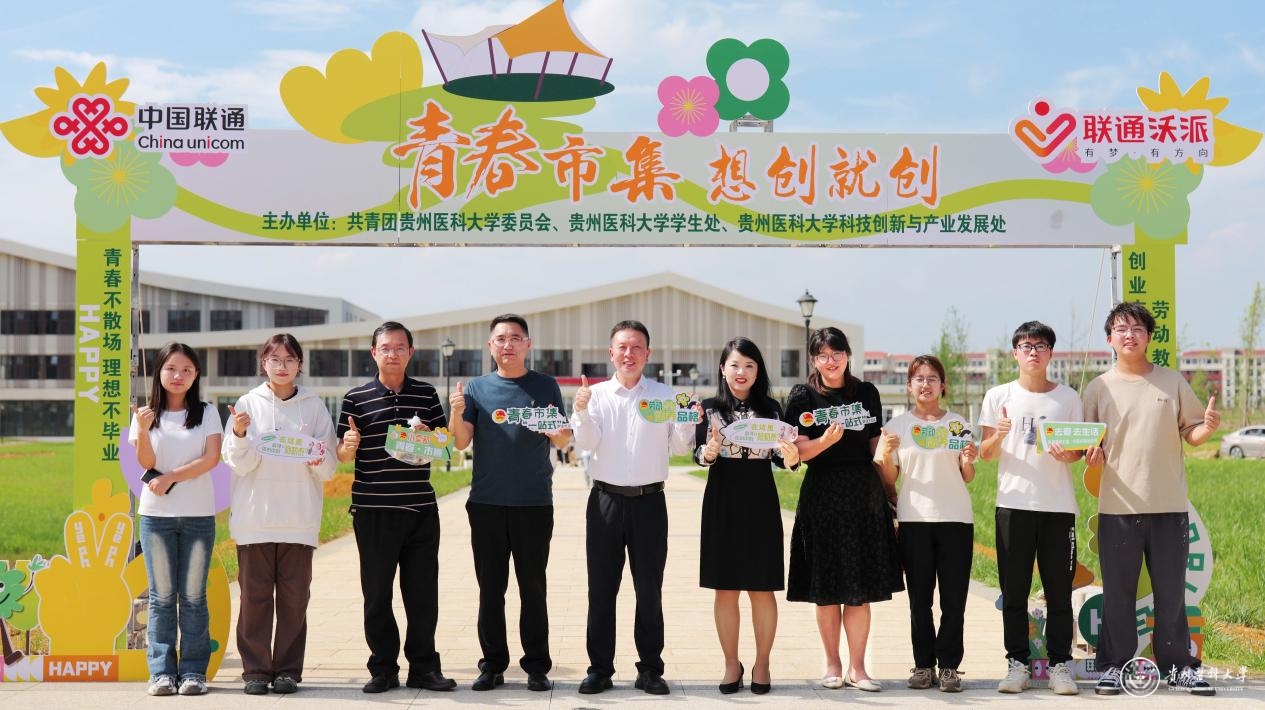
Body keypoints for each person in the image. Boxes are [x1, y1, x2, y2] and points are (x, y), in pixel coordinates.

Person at [1083, 302, 1220, 697]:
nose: (1130, 335)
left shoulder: (1171, 382)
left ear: (1148, 337)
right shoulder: (1098, 388)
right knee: (1118, 594)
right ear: (1109, 338)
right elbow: (1085, 445)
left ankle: (1178, 667)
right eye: (1121, 329)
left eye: (1138, 328)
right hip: (1118, 508)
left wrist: (1208, 429)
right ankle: (1113, 666)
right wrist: (1088, 455)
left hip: (1169, 508)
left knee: (1171, 593)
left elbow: (1192, 432)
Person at [570, 320, 694, 695]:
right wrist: (581, 411)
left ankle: (650, 669)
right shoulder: (596, 395)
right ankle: (599, 669)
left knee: (649, 590)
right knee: (601, 590)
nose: (629, 354)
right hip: (605, 501)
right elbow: (586, 443)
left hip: (650, 502)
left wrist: (686, 419)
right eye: (622, 347)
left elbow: (681, 448)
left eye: (637, 347)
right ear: (611, 353)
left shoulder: (664, 396)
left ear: (648, 354)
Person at [448, 314, 571, 692]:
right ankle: (492, 664)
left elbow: (563, 439)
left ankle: (536, 665)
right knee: (491, 589)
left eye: (515, 338)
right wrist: (456, 410)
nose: (508, 345)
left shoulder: (545, 386)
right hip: (487, 502)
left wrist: (557, 431)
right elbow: (461, 442)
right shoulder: (476, 388)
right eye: (500, 338)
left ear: (528, 345)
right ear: (490, 346)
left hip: (534, 502)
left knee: (533, 588)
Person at [336, 322, 457, 694]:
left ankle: (424, 668)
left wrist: (430, 438)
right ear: (374, 353)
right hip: (373, 511)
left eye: (400, 347)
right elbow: (342, 454)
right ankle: (383, 668)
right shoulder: (355, 398)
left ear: (410, 352)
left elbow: (442, 446)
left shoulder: (426, 394)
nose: (393, 353)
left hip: (420, 510)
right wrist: (349, 445)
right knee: (377, 595)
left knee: (423, 596)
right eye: (385, 348)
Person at [783, 326, 903, 692]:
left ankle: (859, 668)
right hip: (821, 495)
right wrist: (825, 441)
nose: (831, 361)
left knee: (859, 587)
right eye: (823, 355)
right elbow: (798, 452)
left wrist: (888, 455)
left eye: (837, 354)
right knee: (826, 587)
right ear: (813, 360)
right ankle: (833, 665)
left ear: (848, 356)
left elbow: (873, 447)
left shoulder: (865, 393)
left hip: (862, 496)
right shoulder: (802, 396)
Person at [222, 334, 337, 695]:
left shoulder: (313, 407)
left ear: (300, 364)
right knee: (254, 600)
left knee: (294, 600)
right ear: (264, 363)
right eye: (275, 359)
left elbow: (329, 465)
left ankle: (287, 671)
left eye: (289, 360)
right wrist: (240, 433)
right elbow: (239, 464)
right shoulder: (248, 404)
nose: (282, 366)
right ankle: (256, 671)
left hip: (299, 520)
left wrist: (318, 460)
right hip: (255, 518)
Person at [978, 321, 1084, 696]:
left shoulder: (1068, 398)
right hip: (1013, 505)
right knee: (1014, 591)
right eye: (1026, 346)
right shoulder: (998, 396)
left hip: (1058, 507)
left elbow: (1077, 451)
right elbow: (985, 453)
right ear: (1015, 353)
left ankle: (1060, 665)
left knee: (1059, 591)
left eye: (1040, 346)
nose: (1033, 352)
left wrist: (1067, 454)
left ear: (1050, 353)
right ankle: (1017, 664)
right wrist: (999, 434)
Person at [694, 337, 799, 695]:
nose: (742, 372)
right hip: (721, 501)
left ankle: (762, 663)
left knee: (761, 587)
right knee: (724, 588)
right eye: (735, 365)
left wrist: (791, 458)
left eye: (750, 365)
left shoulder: (772, 409)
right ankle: (730, 664)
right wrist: (709, 451)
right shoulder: (708, 409)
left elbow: (781, 458)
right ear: (722, 369)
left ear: (758, 372)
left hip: (760, 502)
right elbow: (698, 455)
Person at [875, 355, 977, 693]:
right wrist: (886, 454)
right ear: (909, 386)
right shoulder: (897, 427)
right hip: (914, 520)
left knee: (954, 599)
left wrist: (968, 459)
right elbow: (890, 479)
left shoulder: (957, 424)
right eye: (919, 378)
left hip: (956, 519)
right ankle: (923, 665)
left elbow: (968, 475)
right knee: (920, 600)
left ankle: (949, 667)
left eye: (932, 378)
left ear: (943, 385)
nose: (926, 384)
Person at [129, 343, 223, 697]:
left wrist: (170, 478)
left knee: (194, 595)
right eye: (171, 369)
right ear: (159, 372)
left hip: (198, 515)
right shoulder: (144, 414)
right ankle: (161, 673)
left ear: (196, 374)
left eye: (187, 370)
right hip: (156, 517)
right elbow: (146, 462)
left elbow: (211, 459)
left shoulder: (207, 413)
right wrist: (141, 430)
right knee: (162, 596)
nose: (178, 376)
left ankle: (194, 671)